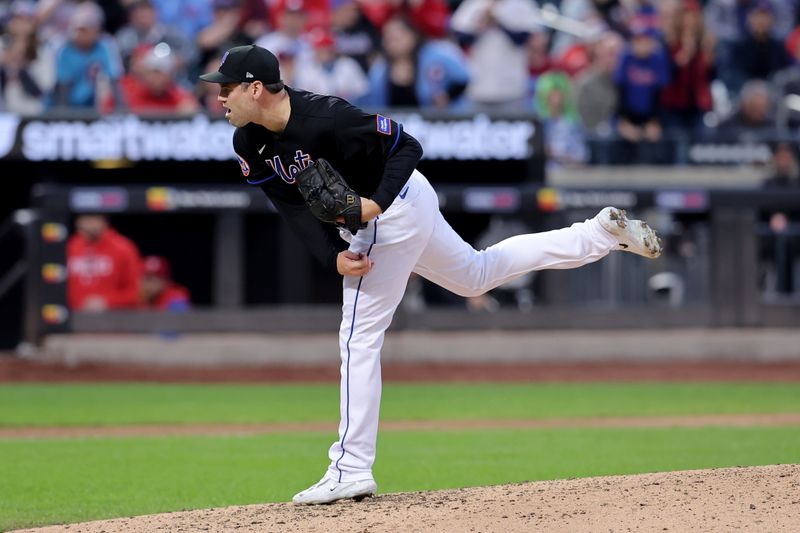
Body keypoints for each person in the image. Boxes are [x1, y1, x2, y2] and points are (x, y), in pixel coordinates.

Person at [199, 44, 663, 506]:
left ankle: (350, 467)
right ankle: (596, 233)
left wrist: (376, 203)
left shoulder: (327, 117)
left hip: (394, 208)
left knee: (358, 336)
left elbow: (407, 145)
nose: (219, 97)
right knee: (476, 275)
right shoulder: (248, 142)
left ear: (256, 88)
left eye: (226, 88)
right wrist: (329, 255)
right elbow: (290, 204)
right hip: (395, 212)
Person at [66, 214, 142, 312]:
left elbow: (135, 292)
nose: (90, 225)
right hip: (74, 319)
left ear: (104, 221)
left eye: (95, 219)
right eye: (86, 219)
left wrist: (108, 302)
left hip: (114, 319)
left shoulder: (124, 248)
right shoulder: (69, 247)